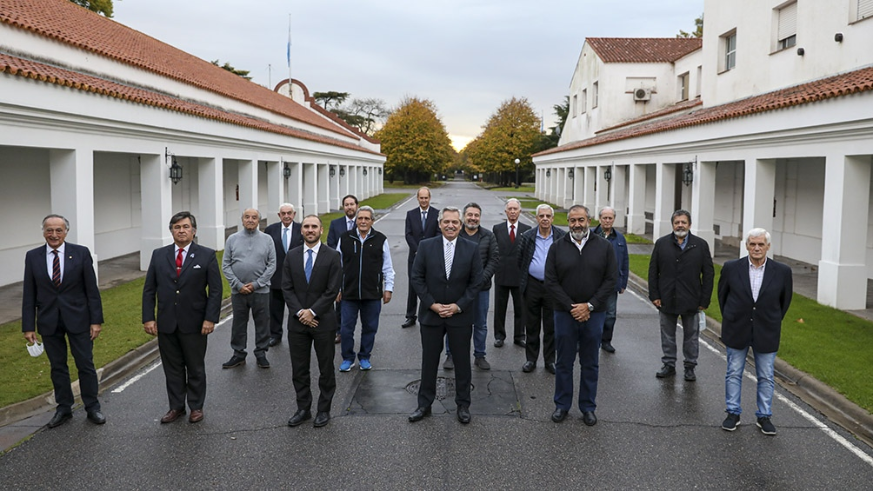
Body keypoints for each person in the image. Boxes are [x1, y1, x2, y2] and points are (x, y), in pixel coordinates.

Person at [22, 214, 105, 428]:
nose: (54, 234)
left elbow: (91, 290)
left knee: (85, 364)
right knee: (57, 366)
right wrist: (28, 325)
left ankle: (92, 407)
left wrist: (96, 321)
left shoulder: (80, 253)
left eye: (58, 230)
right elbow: (29, 293)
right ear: (43, 232)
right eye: (49, 230)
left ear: (66, 232)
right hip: (49, 321)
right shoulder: (33, 256)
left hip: (79, 319)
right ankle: (64, 407)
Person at [142, 211, 222, 424]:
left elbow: (215, 290)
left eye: (186, 227)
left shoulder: (206, 255)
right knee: (172, 368)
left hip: (195, 323)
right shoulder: (159, 255)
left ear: (193, 231)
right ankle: (176, 407)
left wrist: (210, 318)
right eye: (177, 227)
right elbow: (149, 289)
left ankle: (196, 406)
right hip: (167, 323)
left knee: (195, 367)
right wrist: (148, 318)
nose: (181, 231)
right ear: (171, 231)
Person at [409, 207, 482, 425]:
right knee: (429, 361)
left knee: (462, 361)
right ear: (439, 224)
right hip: (432, 316)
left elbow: (476, 283)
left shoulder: (472, 248)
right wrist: (432, 304)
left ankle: (463, 405)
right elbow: (417, 277)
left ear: (460, 225)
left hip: (460, 316)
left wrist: (458, 306)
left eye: (455, 222)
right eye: (446, 222)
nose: (450, 226)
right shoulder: (425, 246)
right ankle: (424, 404)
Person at [546, 205, 617, 426]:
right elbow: (551, 281)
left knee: (590, 363)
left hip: (594, 315)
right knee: (564, 362)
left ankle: (588, 407)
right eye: (573, 220)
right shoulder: (557, 247)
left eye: (581, 220)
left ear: (588, 220)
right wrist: (571, 307)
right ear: (567, 222)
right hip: (564, 314)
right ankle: (562, 405)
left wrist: (590, 306)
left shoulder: (604, 247)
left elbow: (611, 280)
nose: (577, 224)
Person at [718, 228, 792, 435]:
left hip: (767, 329)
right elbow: (723, 297)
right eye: (753, 244)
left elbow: (784, 302)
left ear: (768, 246)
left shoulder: (783, 271)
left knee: (766, 376)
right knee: (733, 372)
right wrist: (733, 317)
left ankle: (764, 416)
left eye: (761, 244)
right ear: (746, 246)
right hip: (737, 328)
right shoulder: (731, 268)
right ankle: (733, 413)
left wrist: (770, 319)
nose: (756, 248)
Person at [283, 215, 343, 428]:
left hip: (323, 322)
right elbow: (287, 288)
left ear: (321, 230)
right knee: (299, 369)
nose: (310, 230)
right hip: (297, 323)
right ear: (301, 230)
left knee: (326, 368)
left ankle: (324, 409)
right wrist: (301, 312)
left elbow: (332, 290)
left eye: (314, 227)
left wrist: (313, 312)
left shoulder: (333, 256)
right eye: (306, 226)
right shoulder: (291, 256)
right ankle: (303, 409)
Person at [648, 209, 714, 382]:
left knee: (691, 336)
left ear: (689, 225)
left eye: (683, 222)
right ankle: (669, 364)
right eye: (677, 222)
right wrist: (654, 294)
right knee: (667, 334)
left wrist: (704, 300)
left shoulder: (700, 245)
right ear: (672, 224)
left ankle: (690, 367)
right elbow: (653, 271)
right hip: (666, 298)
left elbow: (708, 274)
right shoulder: (662, 244)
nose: (680, 225)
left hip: (692, 299)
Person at [336, 206, 394, 372]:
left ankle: (364, 357)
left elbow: (388, 267)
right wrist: (336, 288)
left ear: (372, 221)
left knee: (370, 328)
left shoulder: (381, 239)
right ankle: (348, 358)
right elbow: (337, 266)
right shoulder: (345, 238)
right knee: (346, 329)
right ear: (356, 220)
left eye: (366, 219)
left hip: (372, 294)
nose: (362, 221)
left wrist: (388, 288)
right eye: (360, 218)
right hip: (349, 294)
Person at [444, 202, 499, 371]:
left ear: (480, 218)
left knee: (480, 324)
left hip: (481, 289)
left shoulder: (488, 236)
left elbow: (494, 259)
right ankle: (450, 355)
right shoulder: (456, 235)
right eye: (470, 215)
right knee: (453, 322)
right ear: (464, 217)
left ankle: (480, 356)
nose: (473, 218)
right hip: (458, 289)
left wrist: (480, 280)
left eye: (476, 215)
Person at [222, 208, 276, 369]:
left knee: (262, 323)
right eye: (247, 217)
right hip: (238, 291)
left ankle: (261, 353)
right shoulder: (232, 239)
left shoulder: (267, 240)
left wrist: (256, 284)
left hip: (261, 291)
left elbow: (272, 265)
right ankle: (238, 354)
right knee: (239, 324)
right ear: (242, 219)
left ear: (259, 220)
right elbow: (226, 265)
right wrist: (238, 285)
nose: (250, 220)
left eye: (254, 217)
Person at [518, 204, 566, 374]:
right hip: (532, 285)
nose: (545, 219)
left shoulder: (561, 236)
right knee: (531, 325)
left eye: (548, 216)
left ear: (552, 218)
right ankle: (531, 360)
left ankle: (550, 360)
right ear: (536, 218)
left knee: (551, 325)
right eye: (541, 216)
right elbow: (521, 261)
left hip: (553, 287)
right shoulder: (527, 236)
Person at [491, 198, 531, 348]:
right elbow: (494, 251)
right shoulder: (497, 228)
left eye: (516, 209)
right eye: (510, 209)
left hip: (519, 274)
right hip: (502, 272)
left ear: (520, 211)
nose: (513, 212)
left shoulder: (527, 229)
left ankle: (519, 336)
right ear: (506, 211)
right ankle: (499, 335)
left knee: (520, 307)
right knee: (500, 307)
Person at [591, 206, 629, 353]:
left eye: (610, 218)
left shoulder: (620, 238)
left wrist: (623, 282)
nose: (607, 221)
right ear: (599, 219)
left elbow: (625, 261)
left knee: (610, 315)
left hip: (612, 284)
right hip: (592, 283)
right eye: (604, 218)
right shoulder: (591, 235)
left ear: (613, 220)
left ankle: (606, 341)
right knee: (591, 312)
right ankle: (587, 340)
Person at [265, 203, 303, 347]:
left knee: (297, 308)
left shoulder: (302, 229)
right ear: (279, 215)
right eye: (283, 213)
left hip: (297, 278)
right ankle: (275, 335)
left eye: (289, 213)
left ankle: (299, 334)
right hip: (276, 277)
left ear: (294, 214)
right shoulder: (270, 230)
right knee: (275, 309)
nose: (286, 216)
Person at [403, 187, 439, 328]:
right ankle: (410, 316)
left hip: (431, 256)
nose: (424, 200)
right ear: (417, 198)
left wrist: (427, 251)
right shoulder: (410, 214)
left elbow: (438, 233)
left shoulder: (437, 214)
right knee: (413, 286)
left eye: (426, 198)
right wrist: (418, 250)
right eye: (421, 198)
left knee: (430, 285)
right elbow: (408, 234)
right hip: (414, 256)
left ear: (430, 198)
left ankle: (429, 312)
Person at [327, 195, 359, 343]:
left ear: (356, 206)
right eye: (346, 205)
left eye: (352, 204)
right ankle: (339, 331)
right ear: (343, 207)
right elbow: (331, 243)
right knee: (339, 301)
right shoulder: (335, 224)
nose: (349, 207)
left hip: (358, 267)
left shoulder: (363, 222)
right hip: (340, 267)